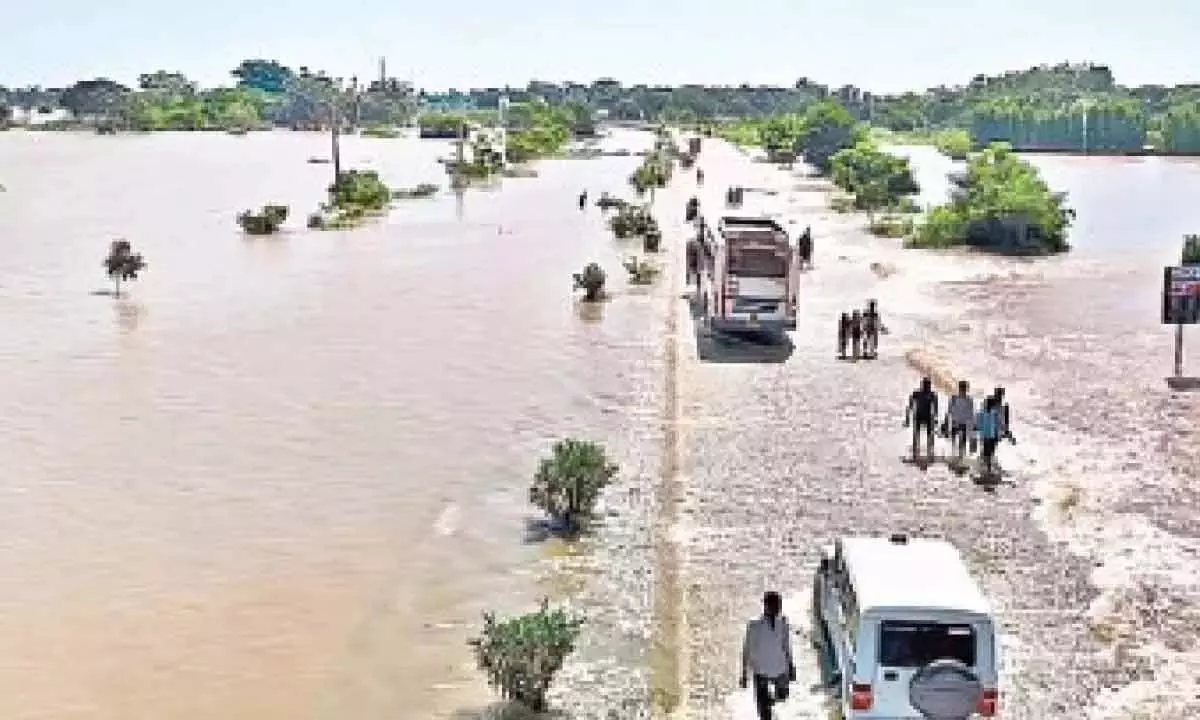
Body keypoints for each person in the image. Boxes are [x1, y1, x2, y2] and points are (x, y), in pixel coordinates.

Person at [740, 591, 795, 720]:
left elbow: (786, 645)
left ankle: (770, 701)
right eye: (776, 605)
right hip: (761, 671)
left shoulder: (783, 622)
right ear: (766, 606)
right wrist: (744, 673)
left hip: (780, 668)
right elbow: (747, 649)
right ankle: (766, 707)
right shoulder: (754, 625)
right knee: (764, 714)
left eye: (779, 605)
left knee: (783, 696)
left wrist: (791, 665)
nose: (779, 608)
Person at [905, 377, 939, 460]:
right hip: (919, 416)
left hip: (927, 416)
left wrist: (935, 418)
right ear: (922, 385)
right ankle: (916, 450)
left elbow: (935, 408)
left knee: (929, 434)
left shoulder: (932, 395)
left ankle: (930, 450)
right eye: (926, 385)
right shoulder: (917, 393)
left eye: (928, 386)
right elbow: (910, 406)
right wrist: (907, 418)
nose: (927, 387)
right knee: (917, 434)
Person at [944, 380, 976, 465]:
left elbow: (971, 413)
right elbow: (949, 412)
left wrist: (973, 425)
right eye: (962, 388)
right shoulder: (954, 398)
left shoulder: (969, 400)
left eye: (965, 388)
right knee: (954, 441)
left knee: (962, 442)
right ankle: (954, 457)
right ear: (959, 388)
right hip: (955, 423)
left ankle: (960, 458)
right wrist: (946, 423)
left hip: (963, 424)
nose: (963, 390)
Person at [976, 395, 1002, 477]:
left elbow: (998, 424)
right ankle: (987, 468)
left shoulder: (994, 413)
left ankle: (988, 468)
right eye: (990, 404)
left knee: (990, 453)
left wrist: (999, 434)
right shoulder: (981, 413)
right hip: (985, 437)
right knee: (987, 453)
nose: (990, 406)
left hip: (992, 436)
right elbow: (978, 424)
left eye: (991, 405)